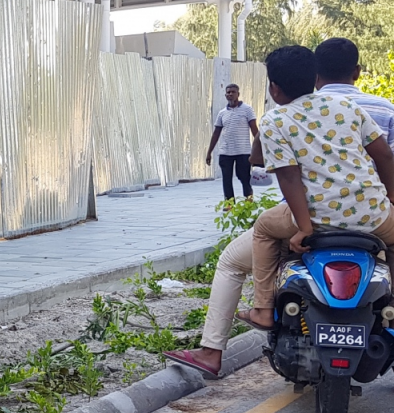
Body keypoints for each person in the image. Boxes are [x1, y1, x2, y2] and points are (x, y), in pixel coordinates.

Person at [166, 38, 394, 376]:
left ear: (273, 86)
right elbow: (386, 157)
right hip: (373, 214)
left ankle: (249, 319)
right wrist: (389, 198)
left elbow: (287, 179)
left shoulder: (275, 120)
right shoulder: (350, 108)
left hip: (314, 218)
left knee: (252, 238)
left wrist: (304, 227)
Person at [206, 83, 260, 200]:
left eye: (233, 92)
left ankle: (249, 198)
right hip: (225, 152)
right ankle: (229, 203)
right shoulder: (222, 113)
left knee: (244, 176)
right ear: (225, 95)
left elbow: (254, 130)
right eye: (228, 92)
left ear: (238, 94)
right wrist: (209, 152)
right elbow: (216, 133)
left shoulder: (247, 109)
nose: (230, 94)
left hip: (243, 151)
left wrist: (260, 149)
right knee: (226, 178)